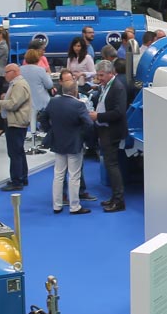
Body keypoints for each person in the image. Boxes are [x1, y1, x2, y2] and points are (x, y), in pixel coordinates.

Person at [42, 79, 92, 215]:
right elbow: (88, 124)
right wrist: (83, 136)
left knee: (58, 174)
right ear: (75, 91)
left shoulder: (53, 102)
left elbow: (43, 117)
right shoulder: (79, 105)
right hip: (75, 144)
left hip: (58, 142)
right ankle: (74, 206)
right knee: (74, 176)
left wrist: (51, 130)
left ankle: (57, 205)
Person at [89, 60, 128, 212]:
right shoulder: (107, 86)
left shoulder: (117, 88)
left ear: (110, 73)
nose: (99, 78)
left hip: (112, 132)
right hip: (105, 130)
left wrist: (98, 116)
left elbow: (119, 112)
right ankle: (114, 197)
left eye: (101, 75)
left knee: (112, 166)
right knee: (110, 165)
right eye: (98, 75)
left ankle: (119, 200)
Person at [0, 64, 32, 192]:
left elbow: (13, 104)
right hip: (15, 121)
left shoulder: (19, 85)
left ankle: (17, 181)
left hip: (16, 122)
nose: (5, 75)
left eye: (6, 72)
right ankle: (22, 177)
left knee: (14, 152)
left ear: (14, 72)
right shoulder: (17, 84)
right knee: (18, 151)